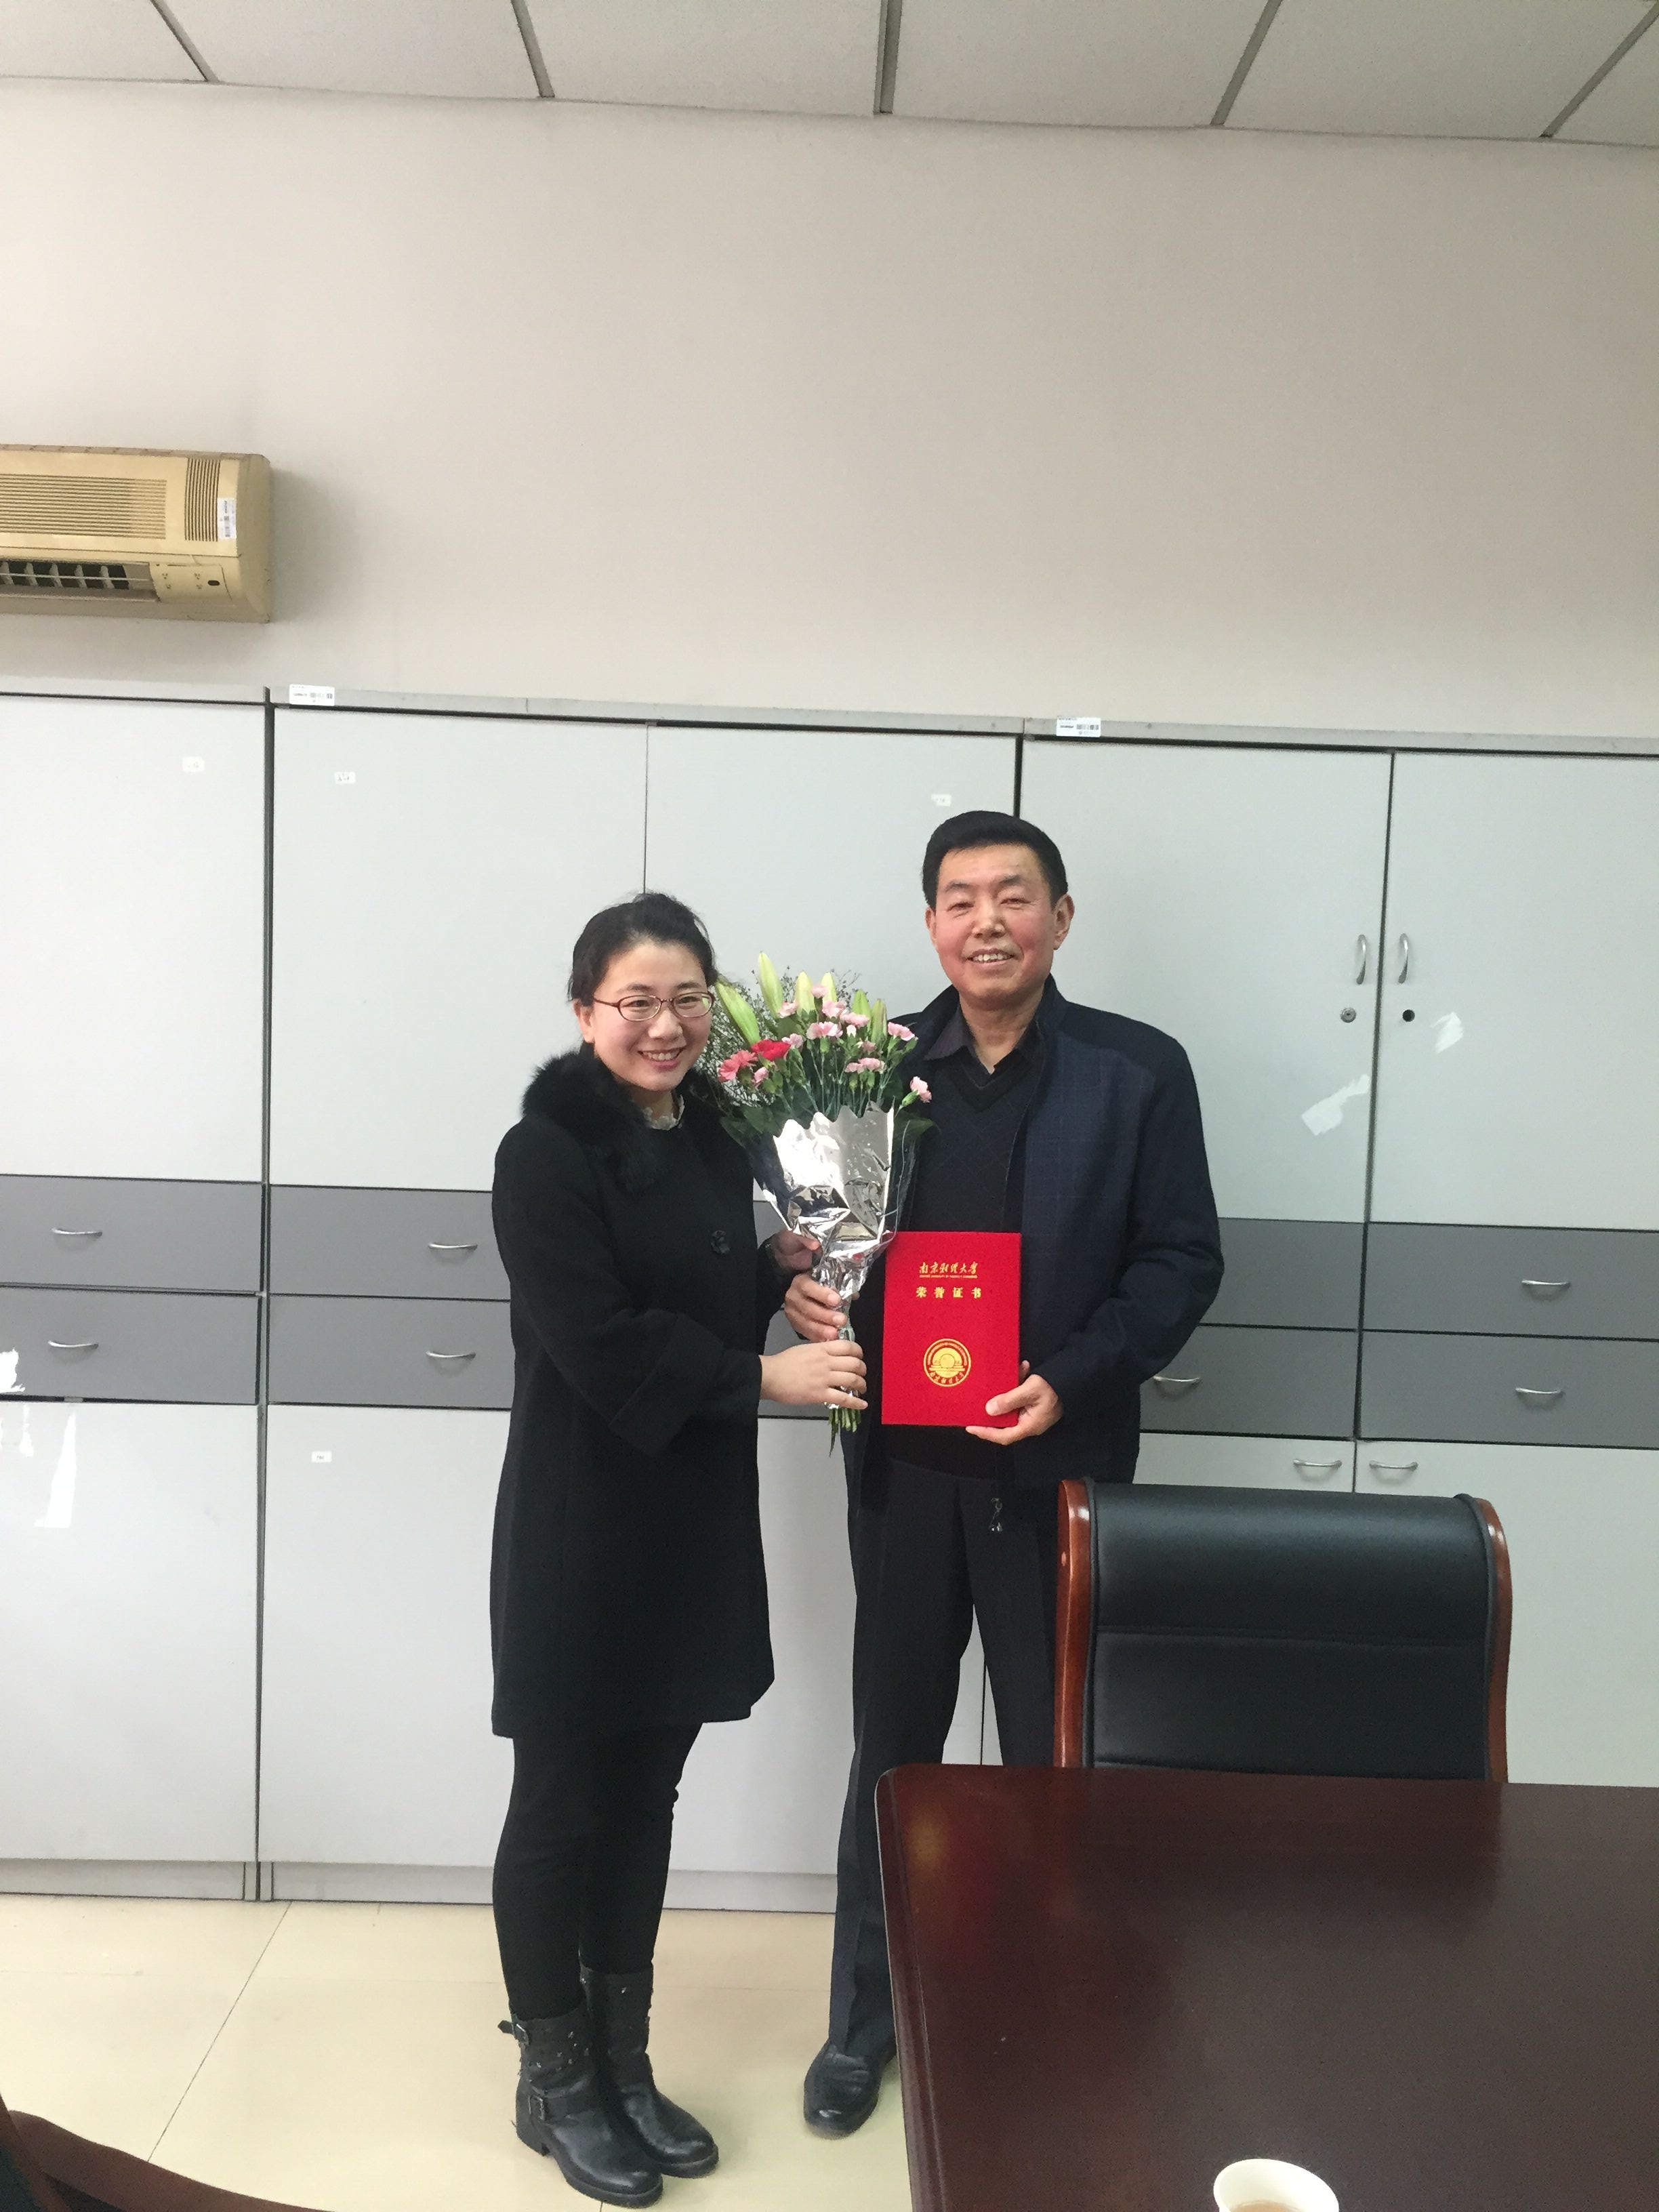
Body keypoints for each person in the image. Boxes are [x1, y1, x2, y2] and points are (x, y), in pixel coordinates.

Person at [785, 812, 1224, 2135]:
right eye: (961, 898)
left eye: (1015, 896)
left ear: (1061, 918)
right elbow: (813, 1242)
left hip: (1059, 1473)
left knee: (1053, 1760)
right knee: (895, 1754)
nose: (989, 921)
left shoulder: (1137, 1071)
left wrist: (1070, 1379)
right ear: (931, 924)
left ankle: (1045, 2008)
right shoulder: (864, 1071)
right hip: (905, 1477)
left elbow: (1180, 1262)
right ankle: (865, 2023)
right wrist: (803, 1293)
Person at [489, 891, 866, 2208]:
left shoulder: (711, 1136)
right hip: (582, 1529)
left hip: (688, 1522)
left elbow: (690, 1287)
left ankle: (623, 2064)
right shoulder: (544, 1154)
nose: (665, 1025)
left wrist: (776, 1272)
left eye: (687, 999)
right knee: (562, 1802)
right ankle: (556, 2080)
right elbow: (598, 1338)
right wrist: (767, 1376)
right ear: (585, 1011)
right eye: (636, 1002)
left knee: (646, 1795)